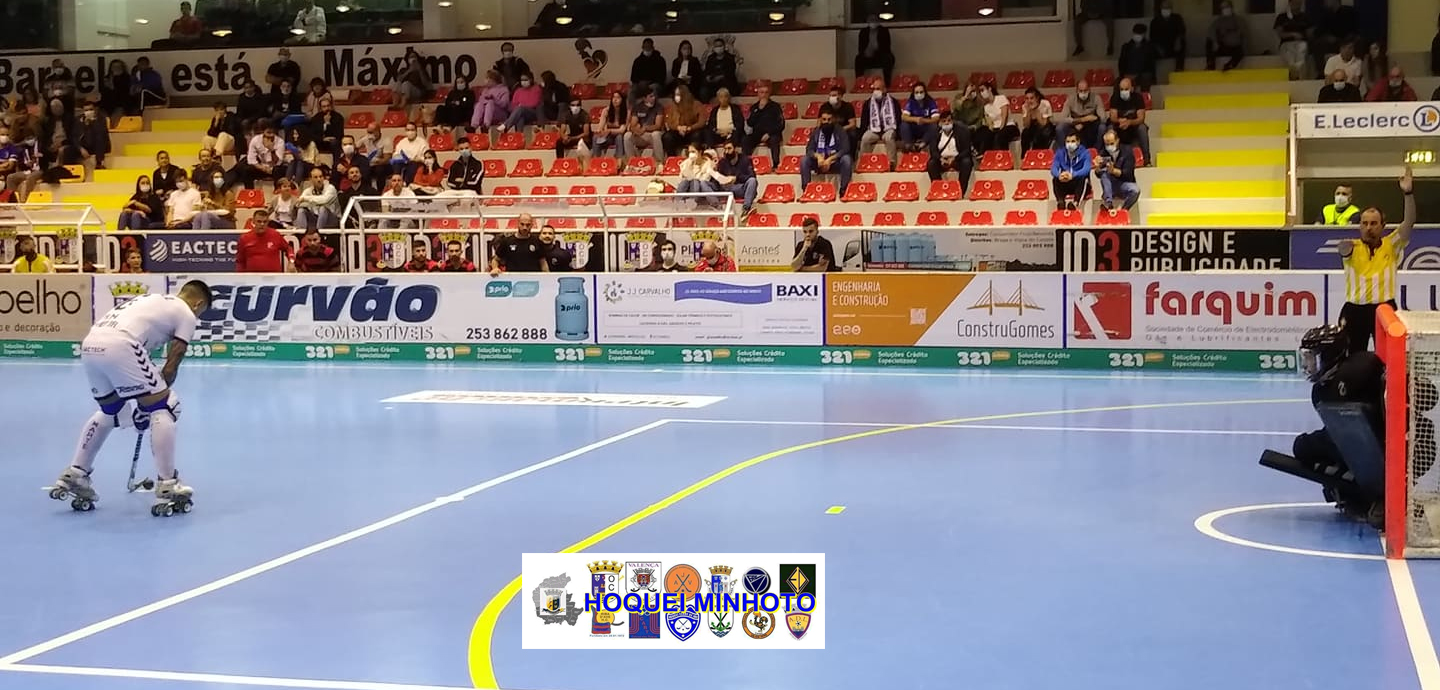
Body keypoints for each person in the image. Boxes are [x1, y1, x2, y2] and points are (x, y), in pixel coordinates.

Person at [50, 281, 213, 515]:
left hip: (91, 345)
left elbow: (137, 367)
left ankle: (76, 473)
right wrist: (151, 403)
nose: (197, 316)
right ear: (198, 303)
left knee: (112, 411)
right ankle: (168, 483)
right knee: (165, 406)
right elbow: (174, 359)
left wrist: (144, 401)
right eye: (200, 311)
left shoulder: (153, 301)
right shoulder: (185, 312)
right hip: (121, 345)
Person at [1288, 323, 1386, 521]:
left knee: (1304, 446)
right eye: (1305, 358)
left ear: (1328, 356)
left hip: (1384, 443)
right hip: (1358, 443)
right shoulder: (1321, 391)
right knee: (1305, 447)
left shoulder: (1361, 367)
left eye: (1311, 358)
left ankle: (1377, 495)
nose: (1306, 366)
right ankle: (1355, 494)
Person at [1337, 165, 1415, 352]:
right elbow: (1342, 249)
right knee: (1353, 357)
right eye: (1364, 223)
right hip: (1355, 310)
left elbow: (1409, 222)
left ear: (1382, 225)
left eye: (1373, 223)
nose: (1368, 227)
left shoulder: (1392, 244)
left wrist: (1408, 193)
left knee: (1390, 355)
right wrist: (1344, 248)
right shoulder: (1352, 247)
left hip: (1385, 309)